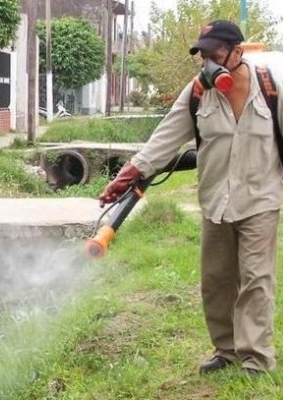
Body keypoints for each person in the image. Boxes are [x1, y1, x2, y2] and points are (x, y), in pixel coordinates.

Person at [99, 20, 283, 375]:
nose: (208, 63)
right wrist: (126, 176)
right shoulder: (199, 91)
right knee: (215, 280)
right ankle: (226, 350)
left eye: (215, 54)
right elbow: (164, 139)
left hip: (261, 200)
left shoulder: (270, 88)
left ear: (237, 53)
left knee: (256, 280)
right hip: (216, 200)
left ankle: (255, 359)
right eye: (203, 56)